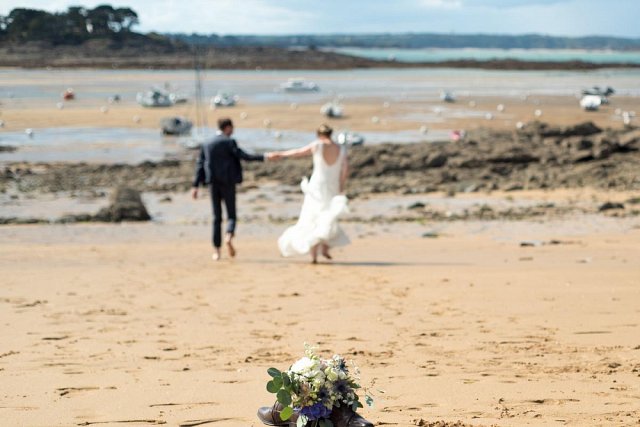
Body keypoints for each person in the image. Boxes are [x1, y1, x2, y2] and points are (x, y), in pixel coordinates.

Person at [269, 124, 350, 263]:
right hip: (333, 186)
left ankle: (313, 254)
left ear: (319, 134)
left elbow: (298, 152)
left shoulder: (317, 145)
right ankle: (325, 247)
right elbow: (345, 169)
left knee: (312, 216)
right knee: (327, 216)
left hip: (317, 186)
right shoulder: (340, 149)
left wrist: (280, 154)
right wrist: (341, 187)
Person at [192, 117, 266, 261]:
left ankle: (216, 252)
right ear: (227, 127)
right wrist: (263, 157)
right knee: (231, 215)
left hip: (213, 183)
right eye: (232, 127)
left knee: (216, 217)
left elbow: (200, 164)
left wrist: (195, 185)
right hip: (228, 183)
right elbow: (244, 156)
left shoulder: (207, 143)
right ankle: (228, 236)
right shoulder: (229, 142)